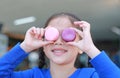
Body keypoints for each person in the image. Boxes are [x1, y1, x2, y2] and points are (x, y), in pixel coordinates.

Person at [0, 12, 120, 78]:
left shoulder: (91, 75)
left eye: (68, 35)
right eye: (52, 34)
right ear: (43, 46)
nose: (59, 41)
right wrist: (25, 47)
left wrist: (91, 49)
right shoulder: (32, 75)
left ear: (81, 47)